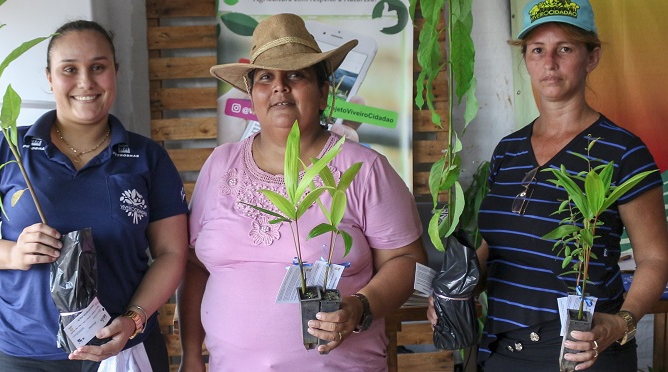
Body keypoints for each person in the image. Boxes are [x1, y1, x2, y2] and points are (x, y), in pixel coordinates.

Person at [427, 0, 668, 371]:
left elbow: (655, 257)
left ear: (592, 57)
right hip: (502, 350)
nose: (549, 63)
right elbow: (499, 244)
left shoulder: (622, 151)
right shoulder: (508, 150)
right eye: (537, 50)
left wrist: (622, 323)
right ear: (526, 59)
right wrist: (455, 290)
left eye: (565, 49)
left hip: (583, 353)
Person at [178, 13, 426, 371]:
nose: (280, 87)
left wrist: (359, 307)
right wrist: (190, 356)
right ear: (251, 95)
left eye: (296, 75)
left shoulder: (363, 168)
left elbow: (407, 260)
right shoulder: (220, 164)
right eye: (265, 77)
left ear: (324, 92)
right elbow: (195, 265)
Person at [0, 20, 188, 371]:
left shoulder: (146, 157)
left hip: (121, 351)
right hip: (21, 354)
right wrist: (13, 253)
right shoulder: (8, 150)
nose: (86, 82)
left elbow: (172, 252)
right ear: (50, 77)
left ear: (115, 72)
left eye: (98, 67)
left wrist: (133, 319)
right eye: (69, 69)